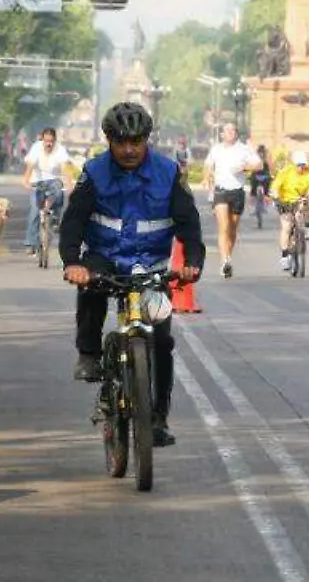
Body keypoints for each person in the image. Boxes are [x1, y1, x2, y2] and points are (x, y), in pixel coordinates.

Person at [60, 102, 204, 447]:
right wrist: (72, 262)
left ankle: (156, 419)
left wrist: (192, 263)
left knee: (162, 341)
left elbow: (189, 225)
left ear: (146, 140)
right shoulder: (94, 172)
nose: (128, 150)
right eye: (121, 142)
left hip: (150, 264)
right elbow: (74, 221)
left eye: (136, 142)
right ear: (108, 140)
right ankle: (90, 354)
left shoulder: (168, 173)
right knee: (91, 287)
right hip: (105, 257)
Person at [203, 123, 263, 278]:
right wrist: (206, 177)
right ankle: (225, 261)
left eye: (233, 130)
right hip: (221, 191)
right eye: (227, 130)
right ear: (222, 134)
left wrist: (245, 167)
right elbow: (208, 165)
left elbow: (259, 164)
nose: (230, 132)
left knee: (232, 229)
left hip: (237, 192)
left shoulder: (243, 149)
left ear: (236, 133)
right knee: (223, 227)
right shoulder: (216, 149)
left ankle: (228, 255)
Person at [22, 127, 75, 255]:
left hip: (54, 181)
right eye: (46, 140)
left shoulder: (60, 150)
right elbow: (29, 166)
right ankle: (31, 243)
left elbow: (64, 168)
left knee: (59, 194)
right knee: (34, 210)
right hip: (37, 181)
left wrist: (68, 184)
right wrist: (26, 181)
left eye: (51, 141)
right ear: (42, 140)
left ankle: (56, 219)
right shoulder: (36, 148)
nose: (48, 144)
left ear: (55, 140)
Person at [270, 150, 309, 269]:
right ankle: (285, 256)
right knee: (286, 227)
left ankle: (305, 228)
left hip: (299, 201)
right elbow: (275, 187)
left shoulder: (308, 175)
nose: (301, 167)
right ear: (294, 164)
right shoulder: (285, 173)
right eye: (299, 165)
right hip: (285, 201)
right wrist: (276, 197)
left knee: (307, 205)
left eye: (303, 165)